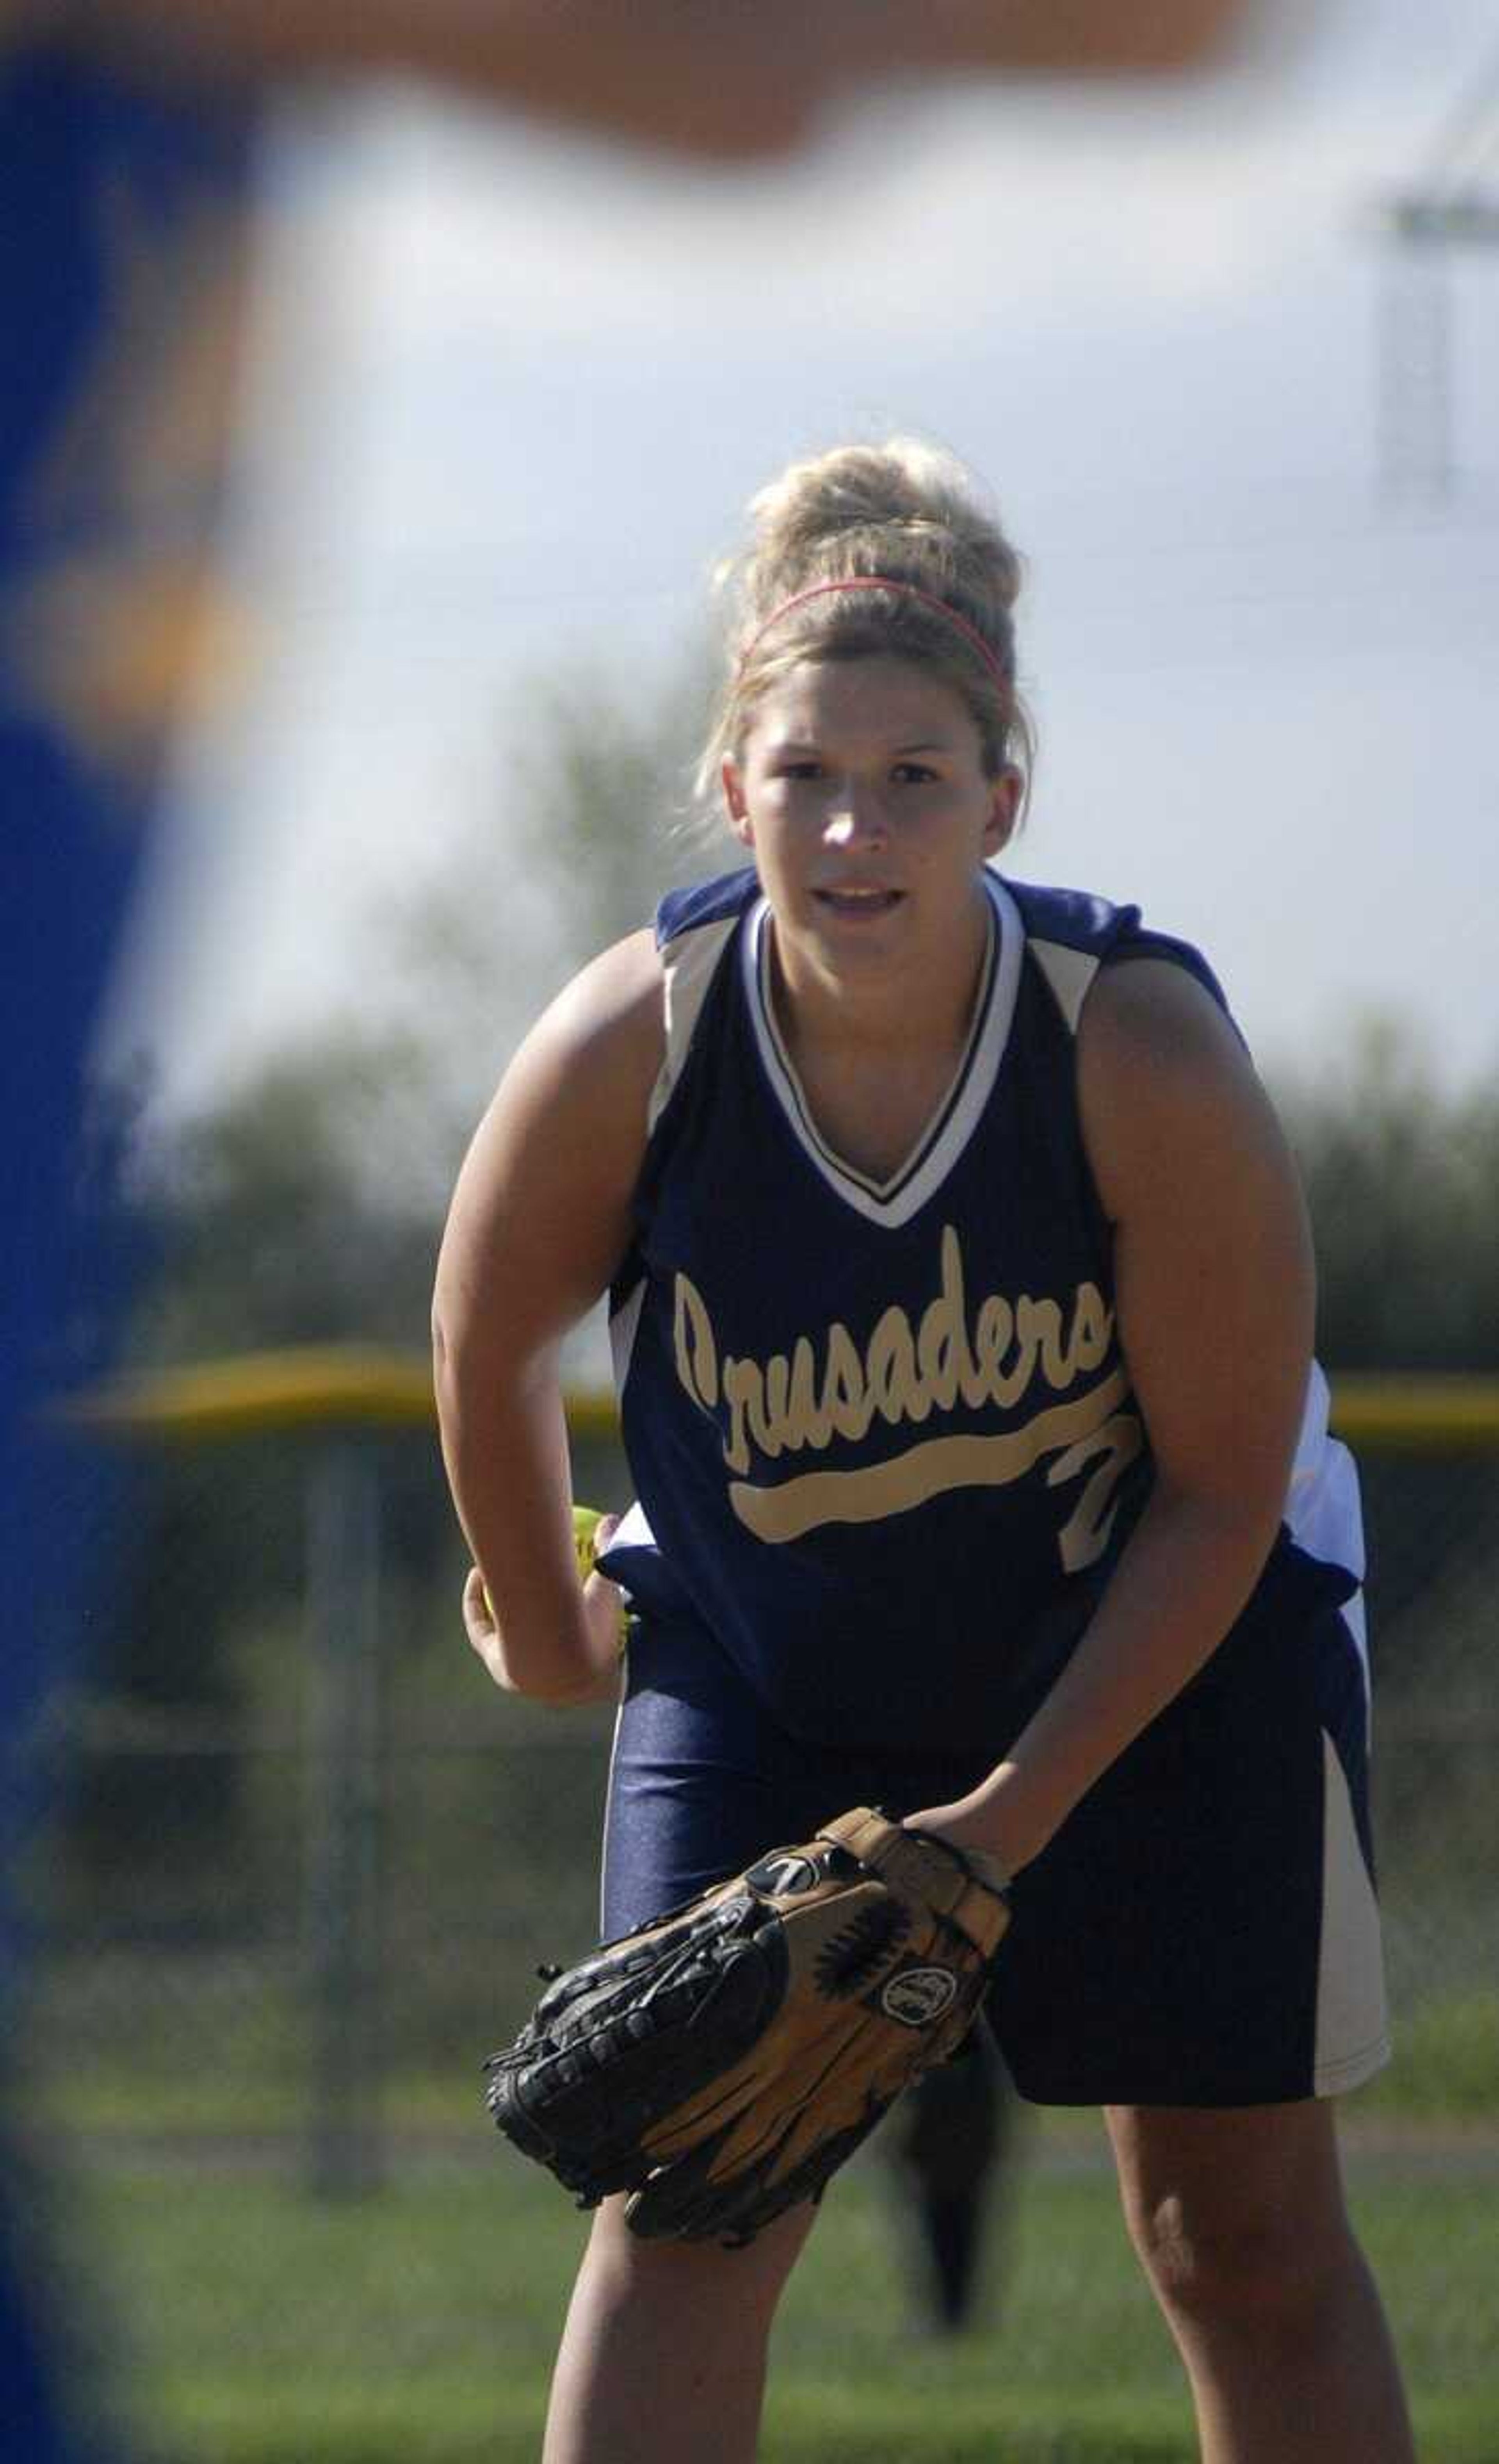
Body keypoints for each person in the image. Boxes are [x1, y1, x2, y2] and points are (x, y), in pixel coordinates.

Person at [432, 434, 1415, 2464]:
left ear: (1005, 798)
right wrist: (542, 1623)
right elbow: (483, 1328)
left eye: (916, 776)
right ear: (732, 786)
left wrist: (1000, 1826)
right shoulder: (644, 1037)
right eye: (805, 772)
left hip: (1159, 1648)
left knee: (1231, 2233)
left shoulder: (1130, 1048)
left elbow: (1223, 1488)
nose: (854, 824)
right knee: (685, 2199)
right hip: (776, 1660)